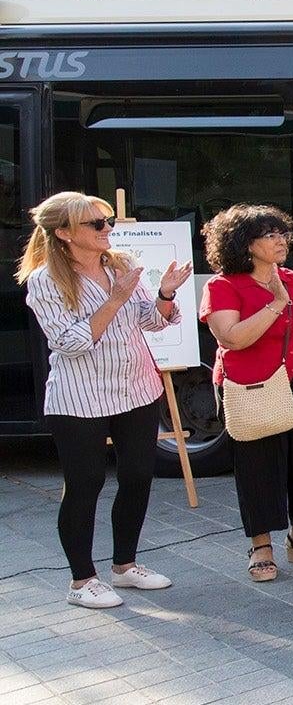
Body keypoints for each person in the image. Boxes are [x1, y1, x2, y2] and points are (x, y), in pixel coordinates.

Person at [19, 192, 190, 608]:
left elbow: (151, 322)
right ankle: (82, 581)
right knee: (85, 484)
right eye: (96, 224)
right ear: (64, 233)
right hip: (79, 397)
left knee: (137, 476)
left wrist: (164, 294)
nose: (107, 230)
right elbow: (70, 342)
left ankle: (125, 566)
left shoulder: (123, 264)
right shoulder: (46, 281)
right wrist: (115, 299)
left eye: (107, 221)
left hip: (137, 389)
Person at [202, 205, 293, 583]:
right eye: (269, 235)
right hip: (253, 384)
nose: (281, 239)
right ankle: (261, 545)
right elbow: (231, 338)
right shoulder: (223, 286)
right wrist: (276, 304)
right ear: (244, 245)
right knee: (257, 463)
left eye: (282, 232)